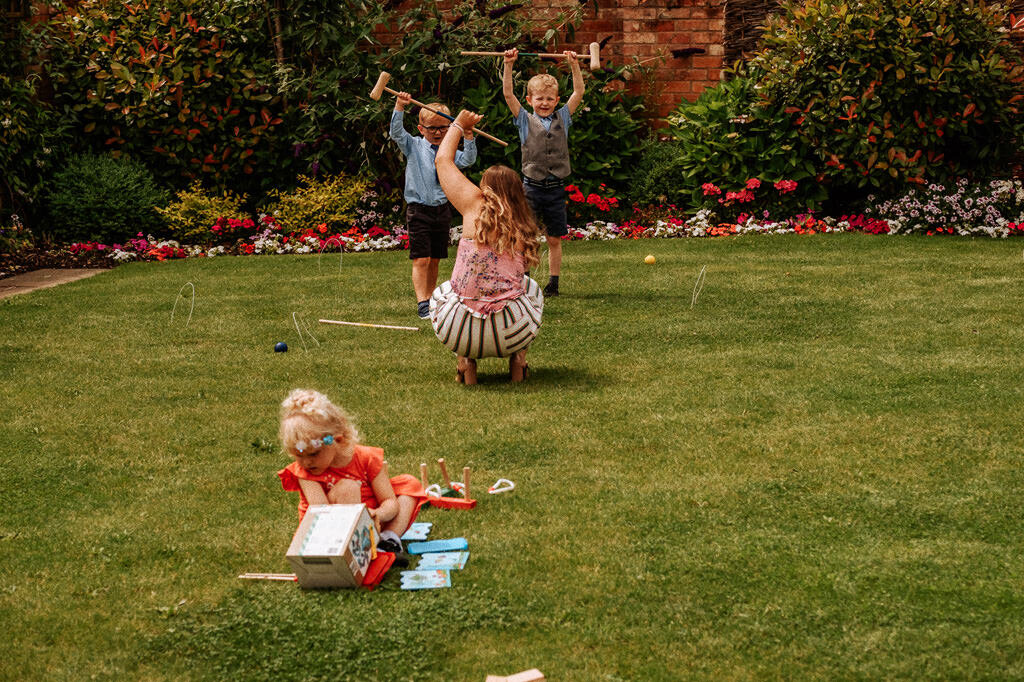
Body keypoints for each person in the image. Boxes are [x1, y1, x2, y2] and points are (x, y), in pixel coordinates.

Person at [430, 109, 544, 385]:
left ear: (484, 189)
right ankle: (518, 360)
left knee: (443, 291)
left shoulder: (473, 206)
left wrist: (458, 123)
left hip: (460, 330)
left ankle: (466, 361)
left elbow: (442, 160)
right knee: (532, 289)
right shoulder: (525, 226)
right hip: (510, 331)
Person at [276, 388, 427, 560]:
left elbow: (389, 501)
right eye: (298, 455)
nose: (306, 462)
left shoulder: (366, 458)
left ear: (337, 440)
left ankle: (388, 540)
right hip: (331, 531)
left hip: (372, 520)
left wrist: (377, 514)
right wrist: (358, 520)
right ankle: (357, 550)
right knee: (348, 487)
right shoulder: (304, 472)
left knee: (410, 484)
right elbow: (321, 515)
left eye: (313, 454)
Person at [502, 48, 585, 298]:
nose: (545, 103)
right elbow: (508, 93)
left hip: (555, 189)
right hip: (531, 187)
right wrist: (508, 64)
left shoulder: (564, 117)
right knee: (526, 236)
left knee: (554, 239)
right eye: (539, 99)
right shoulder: (524, 120)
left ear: (557, 100)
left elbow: (579, 91)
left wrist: (574, 65)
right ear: (529, 100)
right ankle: (524, 281)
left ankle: (553, 283)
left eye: (549, 99)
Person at [391, 93, 478, 319]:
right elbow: (396, 133)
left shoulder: (448, 154)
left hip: (441, 209)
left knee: (436, 258)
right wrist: (400, 106)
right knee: (422, 258)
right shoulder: (413, 146)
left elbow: (468, 160)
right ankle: (422, 302)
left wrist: (468, 135)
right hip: (419, 209)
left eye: (443, 128)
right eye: (432, 129)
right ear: (421, 129)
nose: (438, 133)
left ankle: (431, 299)